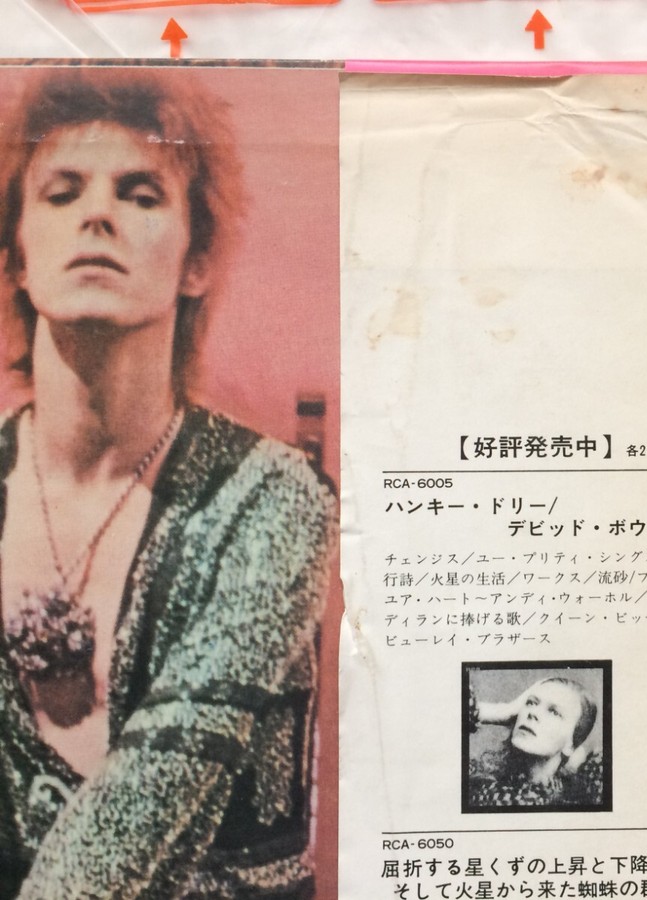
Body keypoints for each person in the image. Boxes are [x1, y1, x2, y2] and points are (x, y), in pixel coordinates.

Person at [0, 67, 335, 898]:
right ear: (16, 257)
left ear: (197, 261)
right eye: (62, 193)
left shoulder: (274, 498)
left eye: (141, 194)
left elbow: (143, 810)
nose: (98, 215)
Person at [467, 675, 604, 809]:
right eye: (531, 703)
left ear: (571, 745)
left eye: (554, 712)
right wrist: (501, 711)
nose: (533, 713)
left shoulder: (578, 803)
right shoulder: (475, 779)